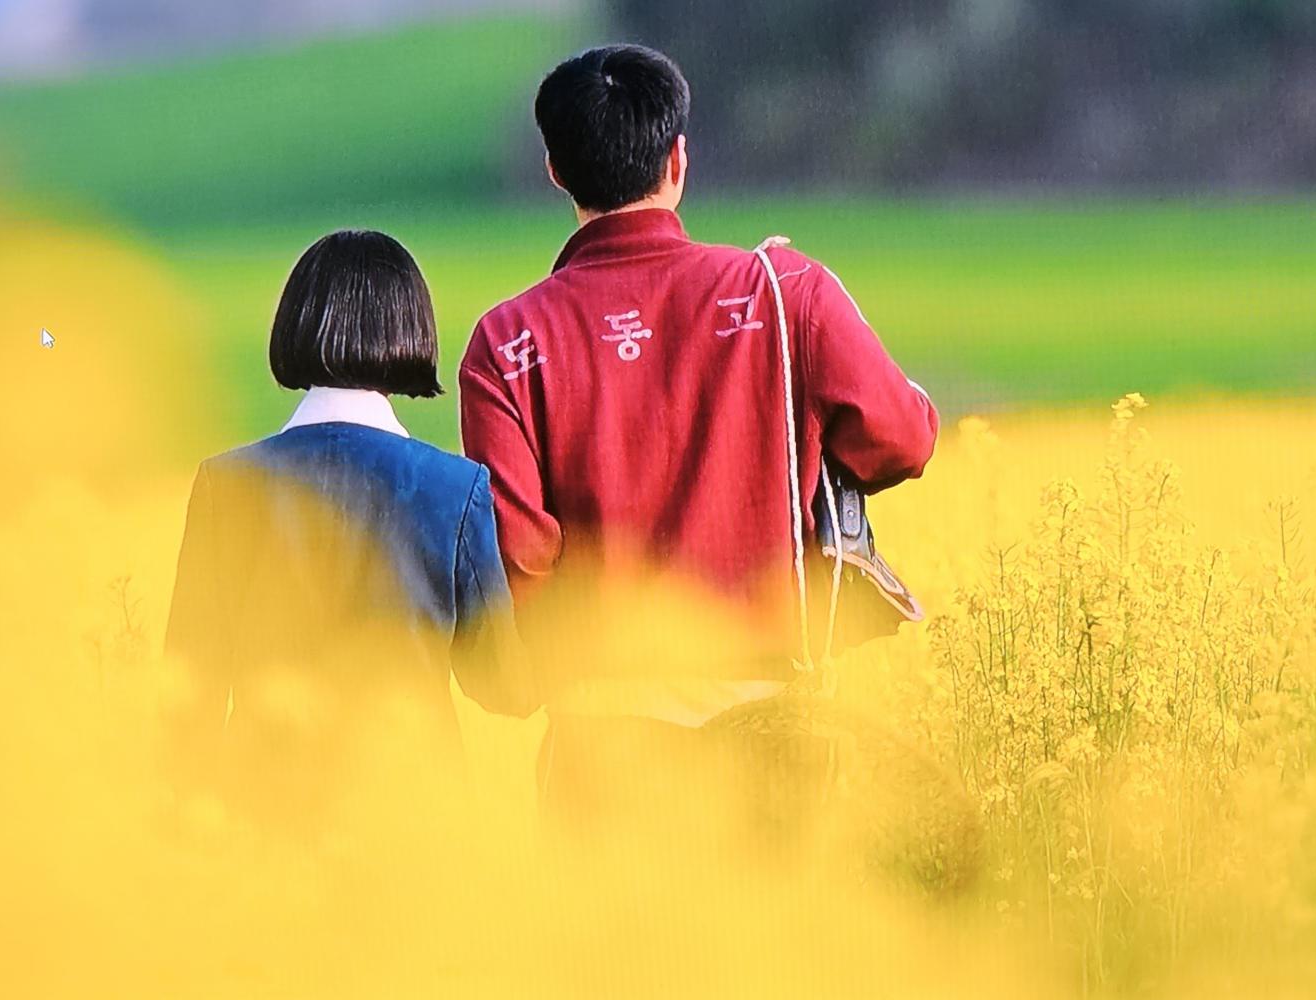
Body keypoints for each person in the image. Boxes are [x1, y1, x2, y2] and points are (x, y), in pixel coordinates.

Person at [457, 45, 937, 818]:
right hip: (772, 725)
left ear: (555, 171)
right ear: (678, 159)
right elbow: (902, 441)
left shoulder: (507, 342)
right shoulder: (786, 292)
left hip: (598, 737)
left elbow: (517, 553)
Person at [166, 230, 534, 821]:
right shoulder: (454, 489)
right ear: (410, 331)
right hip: (413, 815)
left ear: (295, 325)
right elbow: (502, 688)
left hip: (261, 813)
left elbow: (188, 694)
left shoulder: (226, 485)